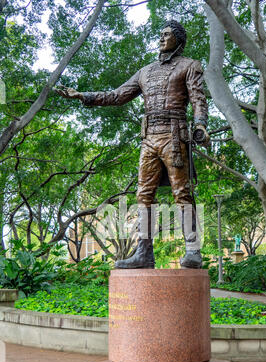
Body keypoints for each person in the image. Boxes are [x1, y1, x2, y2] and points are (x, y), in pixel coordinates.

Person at [55, 20, 209, 269]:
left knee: (181, 192)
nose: (161, 38)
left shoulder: (190, 66)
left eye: (167, 34)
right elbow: (117, 95)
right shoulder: (145, 72)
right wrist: (84, 96)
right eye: (160, 34)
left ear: (178, 40)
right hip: (148, 138)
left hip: (174, 134)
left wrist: (200, 124)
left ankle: (193, 250)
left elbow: (198, 99)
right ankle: (144, 253)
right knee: (143, 195)